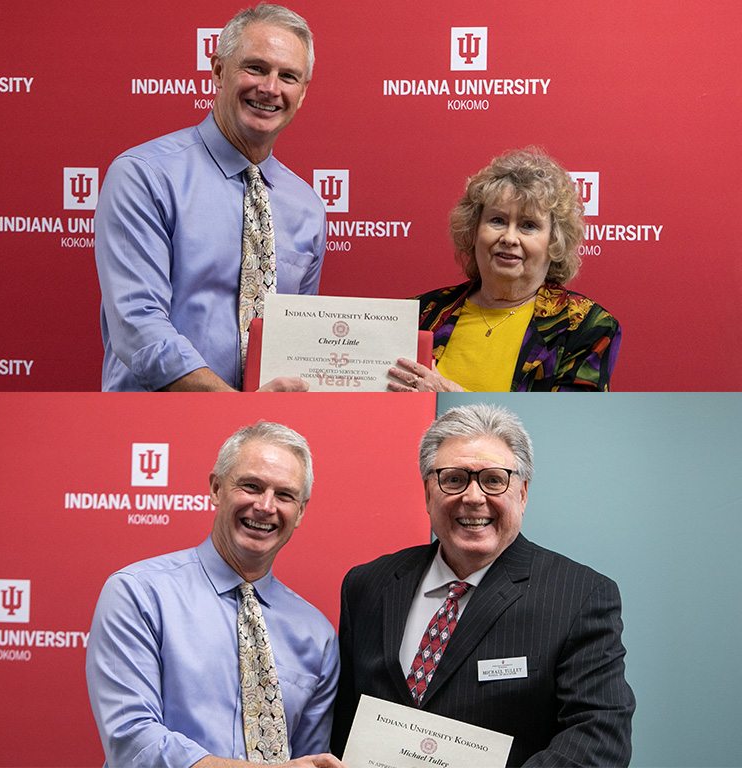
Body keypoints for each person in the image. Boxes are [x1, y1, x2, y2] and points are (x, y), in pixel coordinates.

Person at [331, 403, 635, 767]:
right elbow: (345, 723)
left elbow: (599, 737)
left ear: (522, 493)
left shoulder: (580, 596)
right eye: (453, 479)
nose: (473, 497)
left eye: (493, 480)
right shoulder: (367, 585)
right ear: (428, 492)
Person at [87, 422, 346, 768]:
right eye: (251, 486)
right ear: (216, 488)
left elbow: (310, 762)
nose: (265, 506)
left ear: (300, 511)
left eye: (285, 495)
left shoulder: (317, 635)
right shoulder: (139, 594)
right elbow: (133, 744)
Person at [95, 4, 326, 392]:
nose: (270, 88)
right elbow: (138, 326)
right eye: (255, 68)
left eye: (288, 76)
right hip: (155, 422)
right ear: (218, 71)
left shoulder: (307, 207)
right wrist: (233, 408)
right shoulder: (144, 175)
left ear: (302, 94)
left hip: (266, 427)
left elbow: (300, 343)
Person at [389, 148, 621, 392]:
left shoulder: (585, 325)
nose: (509, 238)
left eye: (528, 225)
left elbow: (572, 416)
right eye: (497, 221)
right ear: (473, 231)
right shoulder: (420, 313)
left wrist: (452, 398)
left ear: (555, 241)